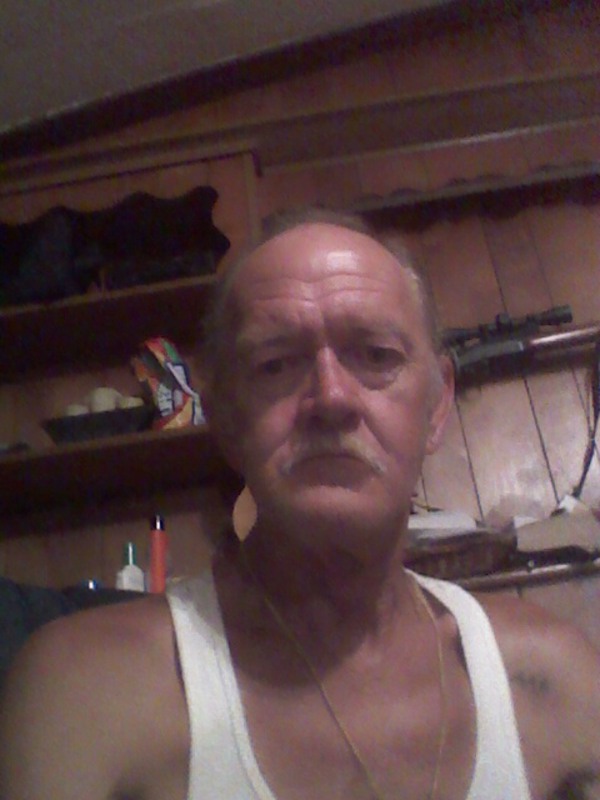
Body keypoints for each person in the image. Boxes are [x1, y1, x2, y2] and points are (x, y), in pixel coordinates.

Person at [1, 208, 599, 800]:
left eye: (377, 354)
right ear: (226, 418)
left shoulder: (557, 677)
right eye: (275, 364)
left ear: (437, 405)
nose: (331, 398)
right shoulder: (86, 691)